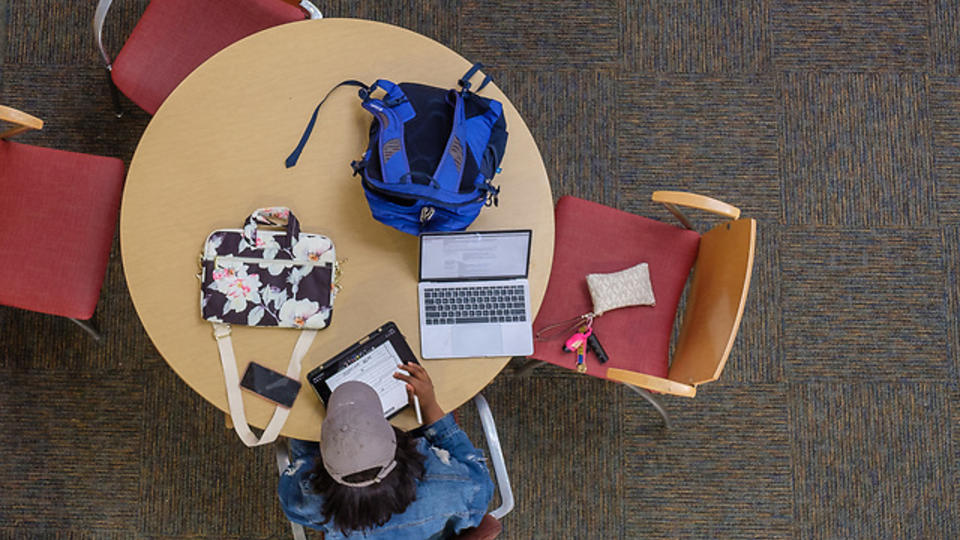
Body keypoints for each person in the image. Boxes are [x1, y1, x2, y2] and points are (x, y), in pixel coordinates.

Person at [278, 362, 495, 539]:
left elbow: (294, 503)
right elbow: (480, 484)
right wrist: (429, 405)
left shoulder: (309, 497)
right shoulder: (452, 484)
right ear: (399, 444)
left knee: (299, 418)